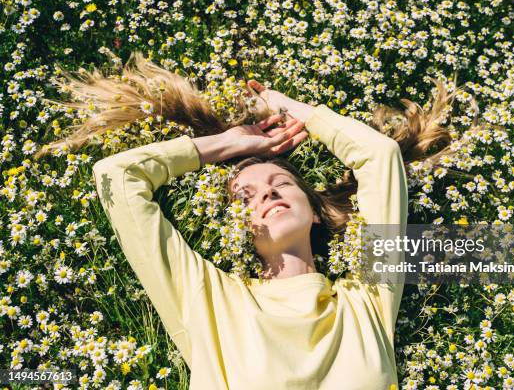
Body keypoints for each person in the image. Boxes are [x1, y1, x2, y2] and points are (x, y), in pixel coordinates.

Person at [37, 52, 482, 389]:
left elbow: (379, 156)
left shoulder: (368, 298)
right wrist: (225, 144)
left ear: (314, 211)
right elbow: (116, 176)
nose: (266, 192)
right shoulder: (209, 299)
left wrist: (291, 108)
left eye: (281, 184)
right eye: (245, 197)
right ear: (237, 229)